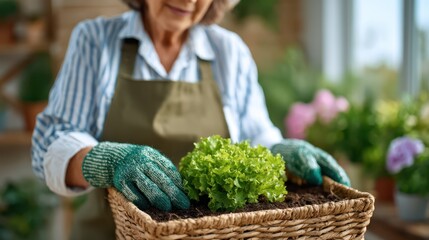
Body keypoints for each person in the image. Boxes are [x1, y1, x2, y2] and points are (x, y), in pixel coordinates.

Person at [31, 0, 350, 239]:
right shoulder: (96, 41)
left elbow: (257, 135)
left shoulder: (229, 52)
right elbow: (51, 140)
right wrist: (104, 161)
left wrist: (280, 150)